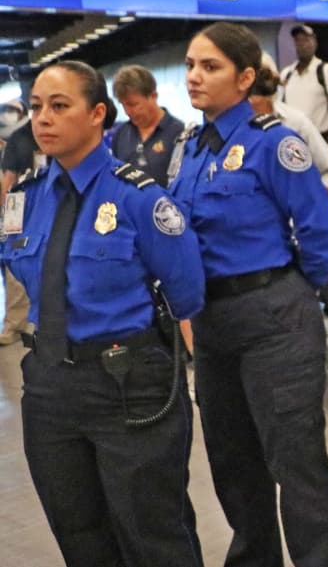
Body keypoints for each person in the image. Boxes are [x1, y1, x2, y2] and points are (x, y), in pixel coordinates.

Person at [2, 61, 204, 567]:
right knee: (79, 533)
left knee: (153, 534)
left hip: (127, 384)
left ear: (97, 115)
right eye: (37, 107)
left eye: (59, 106)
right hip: (50, 385)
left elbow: (186, 293)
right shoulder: (24, 202)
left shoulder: (139, 198)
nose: (43, 119)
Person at [168, 22, 328, 567]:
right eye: (192, 65)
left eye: (211, 66)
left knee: (295, 461)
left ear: (245, 78)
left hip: (274, 319)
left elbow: (318, 233)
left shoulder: (275, 142)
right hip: (214, 324)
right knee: (233, 462)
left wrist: (291, 297)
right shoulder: (190, 148)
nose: (195, 76)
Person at [248, 66, 328, 195]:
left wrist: (314, 205)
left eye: (256, 106)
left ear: (270, 99)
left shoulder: (296, 122)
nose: (252, 112)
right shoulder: (236, 124)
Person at [110, 65, 185, 187]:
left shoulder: (180, 133)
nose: (128, 112)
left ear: (153, 96)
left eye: (133, 104)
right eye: (123, 105)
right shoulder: (120, 134)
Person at [0, 100, 35, 346]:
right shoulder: (15, 142)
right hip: (17, 208)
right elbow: (8, 179)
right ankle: (14, 324)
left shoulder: (47, 134)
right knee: (14, 265)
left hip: (45, 203)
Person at [280, 24, 328, 143]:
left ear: (315, 42)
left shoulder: (325, 70)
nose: (302, 44)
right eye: (298, 40)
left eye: (306, 39)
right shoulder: (287, 73)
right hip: (293, 141)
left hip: (321, 138)